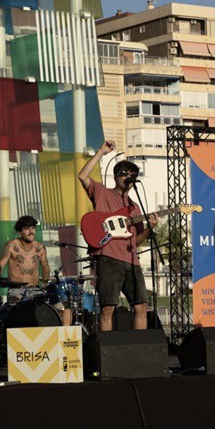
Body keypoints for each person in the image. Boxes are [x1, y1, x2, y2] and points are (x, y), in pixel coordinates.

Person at [78, 140, 159, 331]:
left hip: (131, 260)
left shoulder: (134, 206)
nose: (129, 177)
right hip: (108, 258)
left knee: (141, 306)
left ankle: (140, 348)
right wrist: (101, 152)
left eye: (133, 175)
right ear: (116, 177)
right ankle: (106, 350)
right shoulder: (102, 192)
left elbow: (135, 240)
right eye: (124, 174)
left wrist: (149, 229)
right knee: (108, 308)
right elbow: (82, 176)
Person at [0, 216, 74, 325]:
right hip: (17, 291)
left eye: (32, 228)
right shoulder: (11, 245)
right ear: (20, 232)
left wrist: (44, 284)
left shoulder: (40, 247)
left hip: (36, 290)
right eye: (27, 228)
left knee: (62, 307)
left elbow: (45, 267)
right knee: (19, 320)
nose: (31, 231)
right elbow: (0, 264)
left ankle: (64, 336)